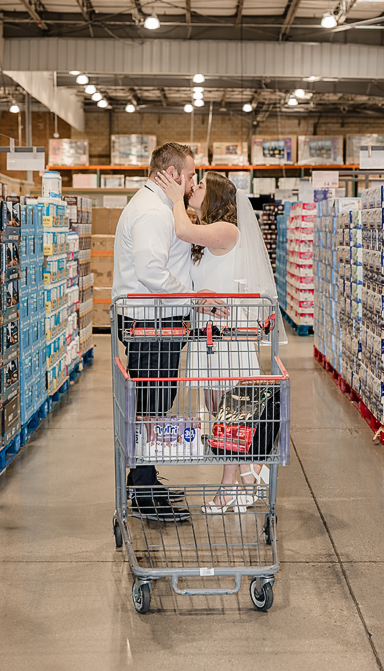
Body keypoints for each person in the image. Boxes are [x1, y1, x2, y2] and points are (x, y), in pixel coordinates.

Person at [152, 169, 286, 513]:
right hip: (207, 334)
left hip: (228, 336)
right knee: (219, 408)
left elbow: (182, 228)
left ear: (216, 198)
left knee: (230, 409)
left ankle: (231, 488)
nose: (192, 189)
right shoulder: (206, 237)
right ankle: (250, 473)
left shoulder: (227, 230)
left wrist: (172, 195)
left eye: (199, 187)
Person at [112, 142, 225, 523]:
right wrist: (195, 298)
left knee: (154, 401)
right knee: (151, 404)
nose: (193, 182)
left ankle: (145, 480)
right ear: (174, 174)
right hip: (150, 322)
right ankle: (142, 493)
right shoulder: (151, 214)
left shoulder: (158, 209)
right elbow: (150, 271)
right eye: (191, 174)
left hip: (157, 321)